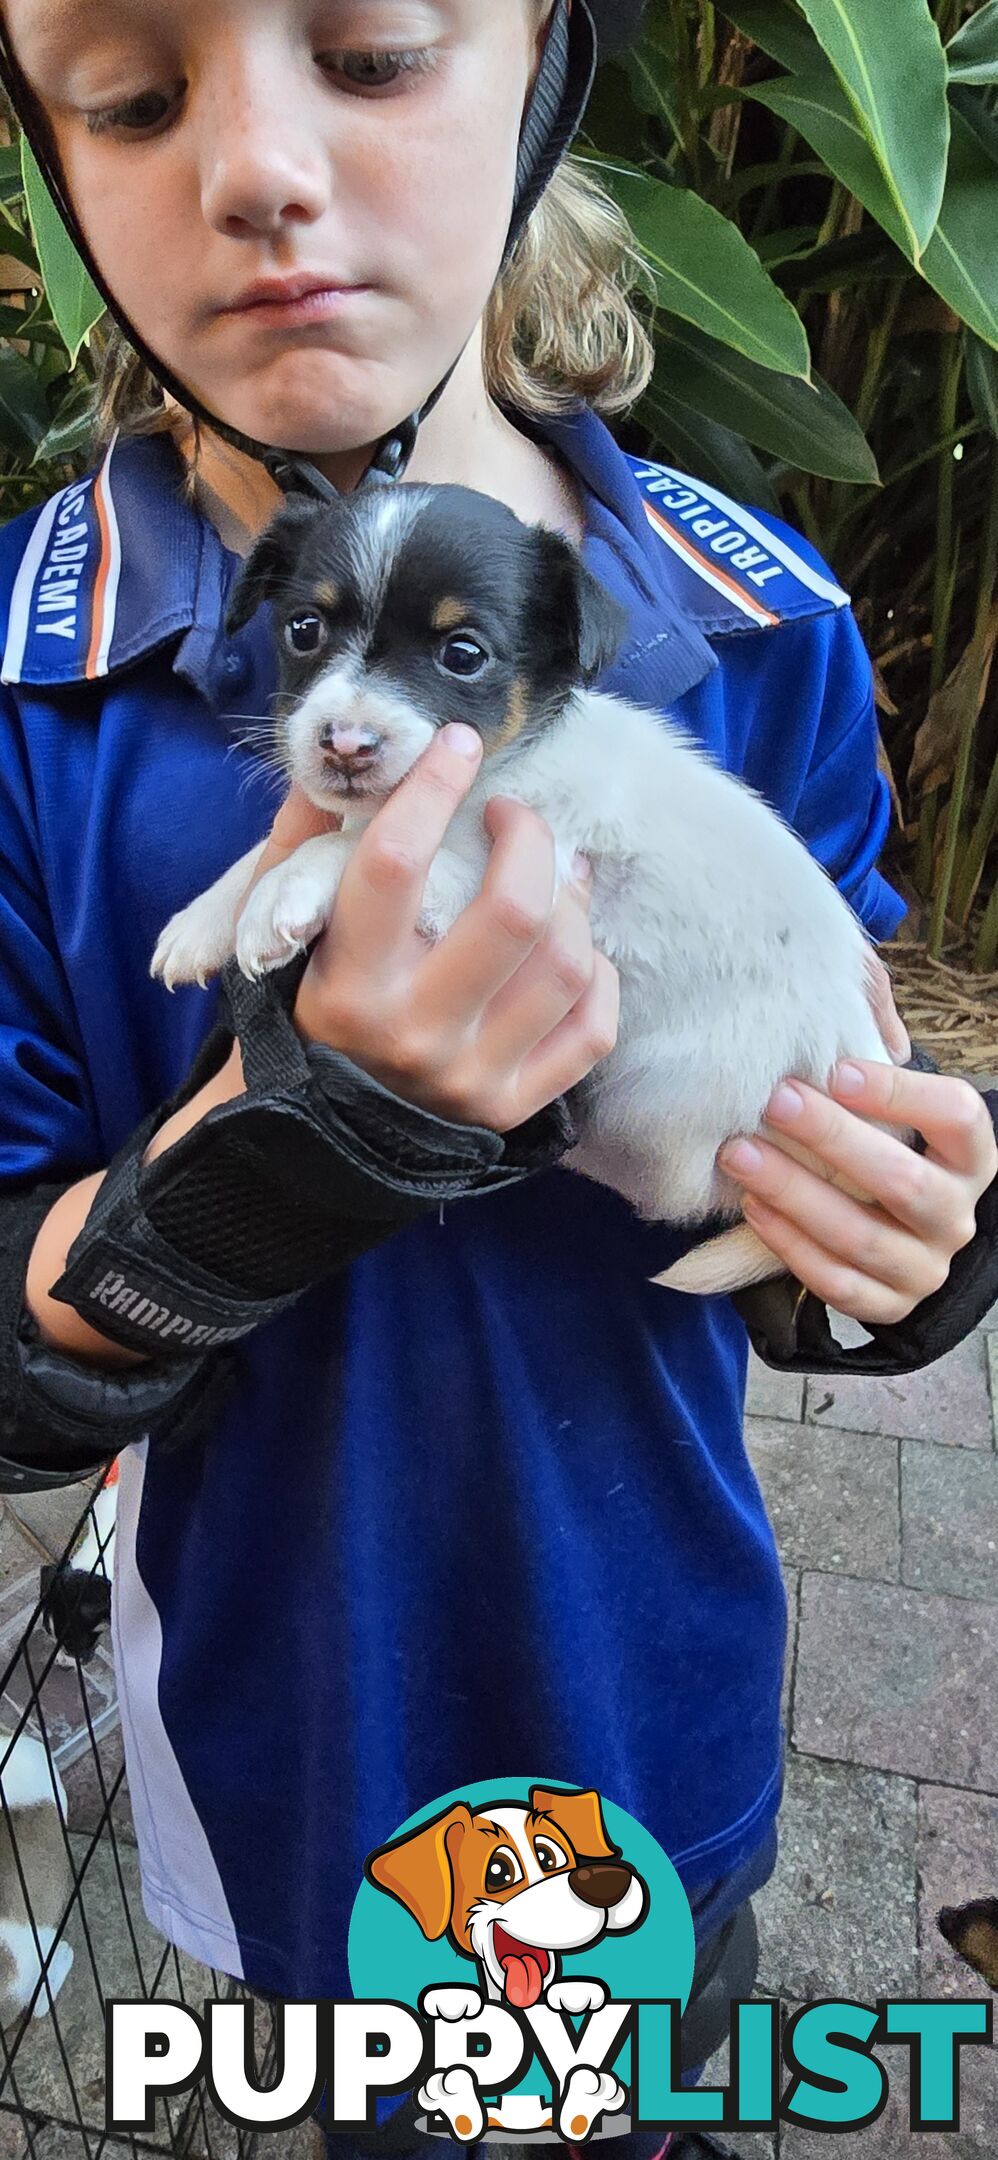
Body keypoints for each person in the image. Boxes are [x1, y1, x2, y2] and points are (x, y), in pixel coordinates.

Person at [0, 6, 995, 2159]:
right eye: (130, 91)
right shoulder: (27, 689)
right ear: (55, 161)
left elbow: (837, 1096)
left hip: (655, 1684)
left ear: (539, 66)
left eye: (368, 52)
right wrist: (265, 1160)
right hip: (281, 1723)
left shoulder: (759, 627)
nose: (258, 165)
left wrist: (902, 1250)